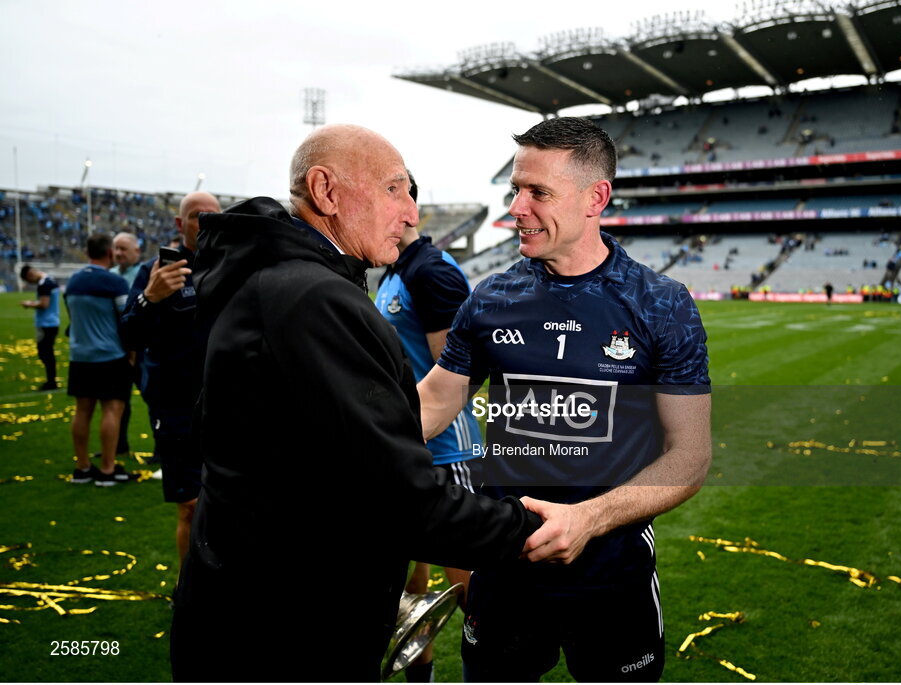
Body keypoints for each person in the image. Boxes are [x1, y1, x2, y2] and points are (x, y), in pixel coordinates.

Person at [169, 124, 541, 682]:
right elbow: (398, 498)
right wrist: (531, 527)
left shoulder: (284, 280)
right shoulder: (312, 295)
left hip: (257, 607)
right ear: (326, 191)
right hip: (284, 636)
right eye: (396, 189)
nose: (412, 213)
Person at [418, 117, 712, 682]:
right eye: (514, 191)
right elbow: (435, 401)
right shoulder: (491, 297)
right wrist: (342, 437)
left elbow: (690, 456)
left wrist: (589, 519)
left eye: (538, 193)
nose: (516, 209)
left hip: (612, 572)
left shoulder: (660, 305)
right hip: (503, 565)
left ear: (594, 198)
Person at [374, 172, 481, 683]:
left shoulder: (432, 272)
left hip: (445, 450)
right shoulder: (393, 267)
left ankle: (494, 666)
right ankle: (422, 674)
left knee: (469, 583)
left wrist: (420, 425)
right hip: (402, 444)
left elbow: (456, 375)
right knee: (408, 576)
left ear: (405, 204)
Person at [120, 192, 221, 562]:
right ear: (180, 225)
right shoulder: (155, 271)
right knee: (191, 506)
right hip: (176, 405)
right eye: (197, 216)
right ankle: (189, 593)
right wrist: (151, 296)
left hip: (228, 403)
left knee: (230, 504)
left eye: (213, 216)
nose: (206, 222)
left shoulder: (231, 267)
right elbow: (128, 335)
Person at [63, 233, 133, 486]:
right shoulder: (114, 282)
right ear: (110, 253)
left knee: (82, 411)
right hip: (110, 355)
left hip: (80, 355)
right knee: (112, 409)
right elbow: (127, 319)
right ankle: (107, 469)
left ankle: (82, 467)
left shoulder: (73, 281)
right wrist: (132, 352)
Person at [108, 232, 143, 459]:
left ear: (136, 251)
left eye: (124, 248)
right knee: (119, 400)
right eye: (116, 248)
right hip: (116, 350)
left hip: (143, 349)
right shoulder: (109, 275)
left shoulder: (145, 273)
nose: (119, 253)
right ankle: (118, 445)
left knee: (155, 399)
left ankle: (162, 449)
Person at [19, 264, 61, 391]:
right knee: (47, 352)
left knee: (45, 353)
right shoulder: (50, 279)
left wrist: (29, 304)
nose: (30, 283)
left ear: (30, 275)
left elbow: (44, 304)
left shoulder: (44, 284)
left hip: (46, 323)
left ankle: (51, 382)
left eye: (28, 280)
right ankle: (51, 380)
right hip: (53, 321)